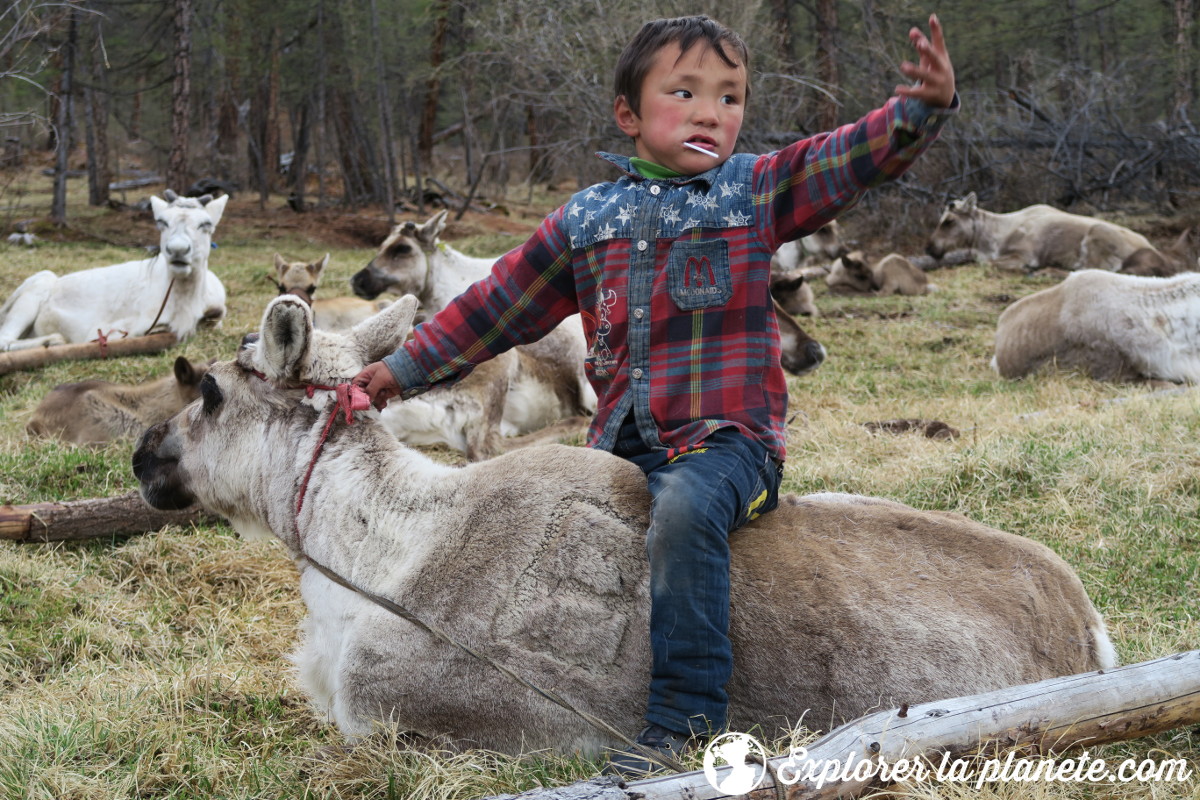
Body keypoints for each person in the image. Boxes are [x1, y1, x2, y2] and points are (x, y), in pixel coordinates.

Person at [354, 12, 956, 777]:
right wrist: (400, 371)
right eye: (686, 92)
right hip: (615, 447)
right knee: (549, 520)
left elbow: (843, 160)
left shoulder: (755, 192)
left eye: (730, 97)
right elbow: (494, 306)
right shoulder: (586, 221)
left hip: (724, 445)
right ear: (629, 115)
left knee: (681, 515)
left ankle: (685, 719)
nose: (712, 112)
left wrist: (917, 111)